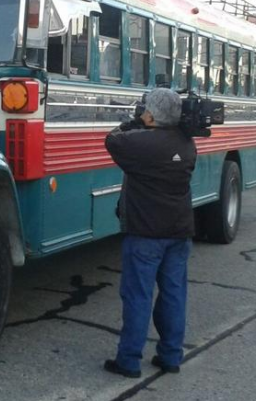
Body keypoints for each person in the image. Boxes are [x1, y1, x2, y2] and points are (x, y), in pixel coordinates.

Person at [103, 88, 196, 378]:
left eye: (145, 109)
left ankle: (129, 361)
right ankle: (170, 356)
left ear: (151, 115)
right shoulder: (187, 143)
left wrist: (134, 121)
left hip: (145, 233)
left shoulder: (141, 144)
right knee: (174, 295)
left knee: (138, 296)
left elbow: (112, 139)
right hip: (179, 231)